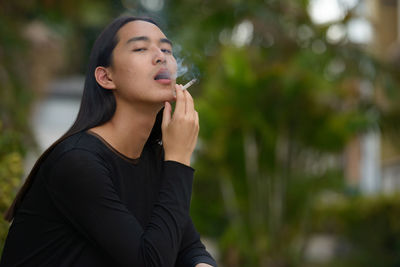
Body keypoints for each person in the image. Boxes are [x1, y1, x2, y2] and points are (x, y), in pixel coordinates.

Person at [0, 15, 217, 267]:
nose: (161, 56)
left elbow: (190, 249)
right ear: (106, 77)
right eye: (140, 48)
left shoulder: (152, 161)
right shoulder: (78, 162)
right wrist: (179, 159)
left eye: (166, 49)